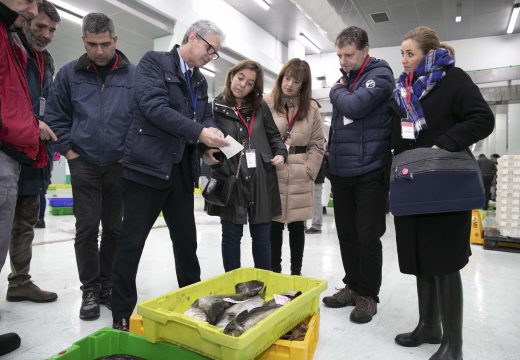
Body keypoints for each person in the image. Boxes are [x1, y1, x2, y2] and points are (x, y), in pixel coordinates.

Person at [111, 20, 228, 331]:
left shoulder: (200, 82)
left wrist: (206, 144)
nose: (210, 56)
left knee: (186, 243)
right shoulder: (154, 63)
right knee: (131, 242)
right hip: (146, 168)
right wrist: (200, 132)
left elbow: (201, 117)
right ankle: (121, 311)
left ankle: (195, 306)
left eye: (214, 53)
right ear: (192, 37)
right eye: (209, 48)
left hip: (179, 170)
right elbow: (154, 108)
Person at [391, 26, 494, 360]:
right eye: (402, 53)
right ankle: (428, 326)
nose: (404, 60)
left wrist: (445, 143)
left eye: (410, 53)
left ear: (429, 52)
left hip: (445, 187)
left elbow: (482, 118)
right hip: (414, 186)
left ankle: (454, 345)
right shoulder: (404, 90)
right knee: (422, 260)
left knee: (446, 262)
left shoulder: (453, 79)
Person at [46, 12, 136, 320]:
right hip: (82, 161)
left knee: (114, 227)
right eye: (92, 44)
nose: (99, 51)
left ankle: (107, 284)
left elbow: (140, 119)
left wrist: (127, 152)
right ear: (83, 40)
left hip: (118, 163)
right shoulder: (69, 74)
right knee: (86, 229)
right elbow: (56, 115)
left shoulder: (133, 76)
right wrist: (69, 151)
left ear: (116, 40)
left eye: (105, 44)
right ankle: (89, 288)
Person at [321, 26, 393, 324]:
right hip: (342, 171)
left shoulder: (381, 74)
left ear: (365, 50)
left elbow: (355, 106)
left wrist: (336, 89)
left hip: (369, 170)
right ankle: (352, 286)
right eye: (339, 55)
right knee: (347, 234)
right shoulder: (349, 79)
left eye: (348, 54)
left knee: (367, 236)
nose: (343, 60)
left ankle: (368, 295)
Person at [203, 60, 287, 273]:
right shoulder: (215, 107)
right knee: (231, 236)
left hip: (261, 177)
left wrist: (280, 153)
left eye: (250, 83)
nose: (243, 85)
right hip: (231, 177)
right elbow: (203, 138)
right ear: (232, 76)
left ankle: (264, 283)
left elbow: (274, 136)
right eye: (241, 78)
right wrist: (203, 152)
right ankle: (233, 286)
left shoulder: (260, 108)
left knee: (262, 237)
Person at [7, 0, 60, 304]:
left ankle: (20, 282)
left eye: (52, 29)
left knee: (24, 222)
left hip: (35, 153)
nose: (47, 34)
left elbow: (48, 104)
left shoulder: (46, 61)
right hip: (9, 148)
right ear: (25, 19)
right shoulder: (11, 50)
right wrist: (31, 121)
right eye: (41, 26)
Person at [0, 0, 43, 355]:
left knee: (17, 227)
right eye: (30, 2)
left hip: (20, 151)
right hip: (7, 148)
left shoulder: (13, 40)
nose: (33, 11)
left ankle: (20, 280)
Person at [264, 58, 325, 275]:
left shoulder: (311, 109)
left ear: (303, 85)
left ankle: (296, 274)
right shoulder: (267, 103)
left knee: (297, 226)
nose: (289, 84)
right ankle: (275, 274)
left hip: (300, 171)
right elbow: (258, 137)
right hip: (273, 170)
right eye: (287, 78)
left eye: (296, 81)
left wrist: (310, 169)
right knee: (274, 226)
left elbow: (318, 143)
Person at [306, 157, 327, 234]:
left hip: (316, 174)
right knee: (303, 200)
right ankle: (302, 223)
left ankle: (316, 226)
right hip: (305, 173)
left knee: (316, 201)